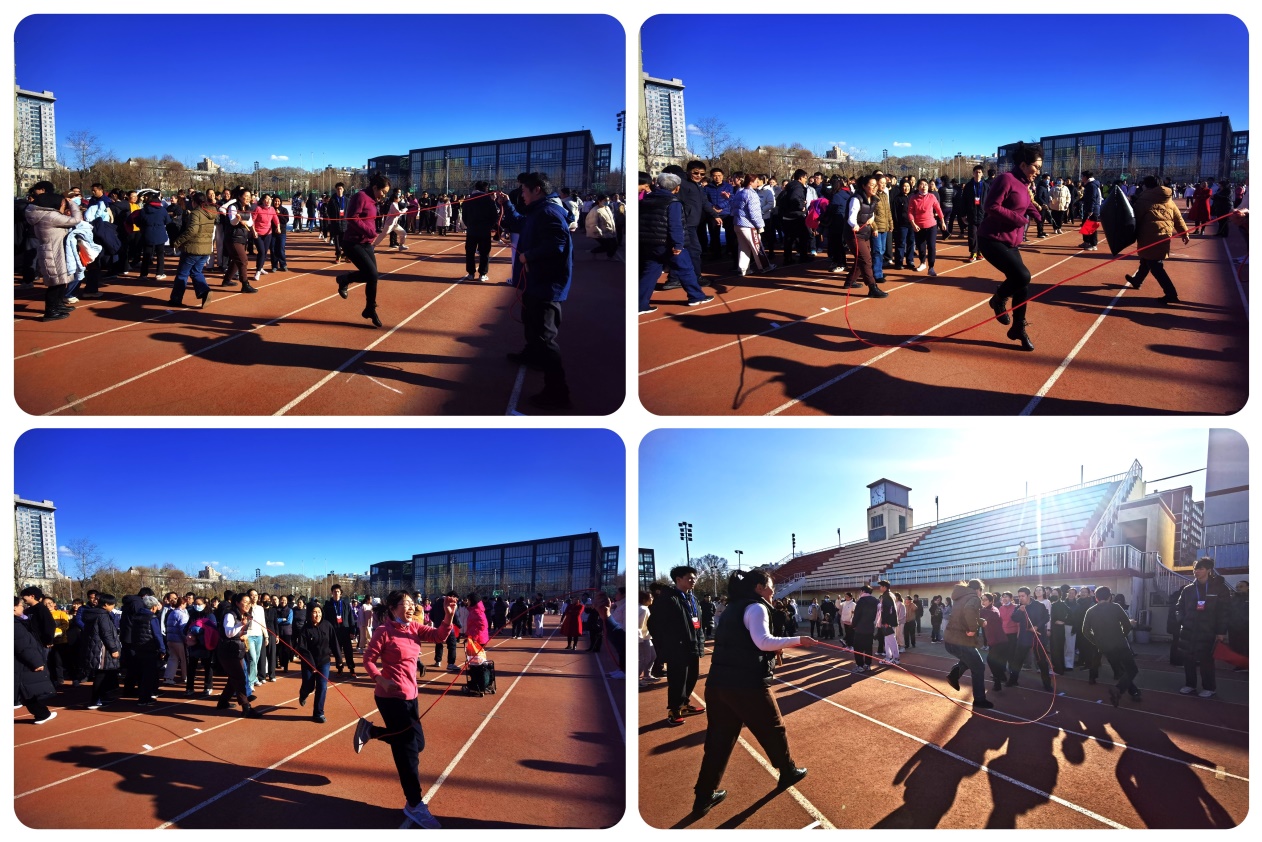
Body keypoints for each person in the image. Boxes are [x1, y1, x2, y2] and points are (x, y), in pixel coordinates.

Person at [691, 569, 814, 817]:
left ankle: (703, 795)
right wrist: (799, 640)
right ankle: (788, 771)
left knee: (719, 740)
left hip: (718, 683)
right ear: (759, 587)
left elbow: (748, 642)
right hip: (746, 684)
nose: (773, 590)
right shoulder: (756, 607)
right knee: (774, 728)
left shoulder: (732, 609)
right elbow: (762, 642)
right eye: (770, 585)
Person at [355, 590, 457, 829]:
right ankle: (414, 803)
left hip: (411, 697)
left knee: (417, 744)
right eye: (405, 604)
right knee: (408, 751)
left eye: (412, 603)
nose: (411, 607)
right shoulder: (383, 631)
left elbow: (440, 636)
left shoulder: (414, 628)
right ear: (392, 608)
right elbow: (368, 659)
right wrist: (380, 679)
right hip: (390, 698)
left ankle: (371, 731)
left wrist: (449, 616)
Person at [495, 172, 574, 410]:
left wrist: (527, 255)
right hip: (535, 282)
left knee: (545, 337)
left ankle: (557, 393)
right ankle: (531, 355)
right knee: (530, 320)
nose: (522, 195)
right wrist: (507, 204)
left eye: (524, 191)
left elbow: (557, 245)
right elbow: (520, 223)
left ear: (537, 189)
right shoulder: (538, 210)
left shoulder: (549, 212)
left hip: (547, 284)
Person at [978, 141, 1043, 351]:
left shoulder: (1024, 184)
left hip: (1011, 242)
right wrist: (1019, 220)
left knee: (1022, 285)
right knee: (1023, 276)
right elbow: (991, 206)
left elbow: (1025, 203)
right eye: (1036, 167)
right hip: (991, 239)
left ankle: (1017, 328)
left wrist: (1036, 214)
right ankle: (998, 300)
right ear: (1023, 164)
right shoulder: (1006, 179)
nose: (1038, 172)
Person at [639, 172, 710, 313]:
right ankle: (696, 296)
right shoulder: (673, 202)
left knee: (650, 273)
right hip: (668, 243)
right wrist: (678, 244)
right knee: (685, 269)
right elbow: (675, 225)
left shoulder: (646, 199)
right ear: (677, 188)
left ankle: (639, 304)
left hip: (649, 242)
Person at [647, 566, 707, 726]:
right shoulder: (668, 599)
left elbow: (697, 623)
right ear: (678, 579)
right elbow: (654, 624)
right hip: (677, 649)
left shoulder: (692, 598)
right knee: (677, 680)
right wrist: (668, 643)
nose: (693, 580)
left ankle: (684, 705)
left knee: (691, 677)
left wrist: (700, 640)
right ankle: (674, 710)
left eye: (694, 577)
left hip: (693, 645)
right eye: (689, 578)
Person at [335, 175, 392, 328]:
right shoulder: (360, 196)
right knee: (372, 274)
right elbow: (352, 218)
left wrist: (371, 233)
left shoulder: (373, 200)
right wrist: (370, 232)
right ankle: (344, 279)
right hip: (352, 243)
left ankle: (370, 309)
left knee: (373, 276)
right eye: (383, 192)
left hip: (366, 243)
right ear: (375, 187)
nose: (384, 195)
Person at [1124, 175, 1191, 306]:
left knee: (1155, 266)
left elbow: (1134, 218)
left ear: (1146, 185)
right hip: (1164, 235)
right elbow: (1178, 217)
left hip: (1149, 236)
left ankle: (1171, 294)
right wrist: (1184, 233)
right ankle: (1137, 280)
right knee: (1146, 260)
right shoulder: (1168, 198)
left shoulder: (1144, 199)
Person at [24, 182, 85, 321]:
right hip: (53, 252)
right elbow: (76, 219)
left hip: (53, 250)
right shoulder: (50, 216)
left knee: (61, 281)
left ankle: (58, 305)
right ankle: (51, 311)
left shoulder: (43, 214)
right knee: (55, 283)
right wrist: (72, 203)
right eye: (62, 203)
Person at [1175, 557, 1232, 697]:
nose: (1196, 572)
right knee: (1188, 659)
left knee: (1206, 660)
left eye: (1200, 569)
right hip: (1189, 630)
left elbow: (1224, 612)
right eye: (1195, 569)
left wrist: (1221, 632)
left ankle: (1209, 688)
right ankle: (1190, 685)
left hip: (1208, 630)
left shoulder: (1220, 589)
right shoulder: (1188, 589)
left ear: (1209, 570)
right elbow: (1179, 607)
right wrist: (1182, 620)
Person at [1081, 586, 1141, 706]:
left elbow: (1085, 631)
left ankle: (1134, 692)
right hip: (1120, 644)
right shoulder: (1116, 607)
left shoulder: (1090, 611)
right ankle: (1119, 689)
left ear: (1096, 598)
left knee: (1122, 670)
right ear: (1109, 597)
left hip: (1105, 647)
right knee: (1132, 669)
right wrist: (1122, 635)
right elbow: (1127, 625)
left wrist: (1097, 642)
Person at [943, 579, 995, 709]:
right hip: (961, 640)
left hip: (951, 639)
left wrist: (980, 621)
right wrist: (973, 629)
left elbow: (961, 615)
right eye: (981, 592)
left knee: (970, 661)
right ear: (978, 590)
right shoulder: (973, 597)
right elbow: (969, 610)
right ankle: (979, 699)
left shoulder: (960, 596)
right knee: (978, 667)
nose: (981, 595)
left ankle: (954, 675)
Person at [15, 597, 58, 724]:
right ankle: (42, 714)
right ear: (13, 607)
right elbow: (23, 646)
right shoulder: (15, 625)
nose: (23, 608)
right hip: (21, 663)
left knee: (25, 690)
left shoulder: (18, 622)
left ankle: (42, 714)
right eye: (21, 605)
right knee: (25, 688)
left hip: (19, 663)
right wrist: (36, 662)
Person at [844, 175, 887, 298]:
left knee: (861, 259)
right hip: (854, 235)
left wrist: (872, 224)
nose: (875, 187)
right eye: (871, 185)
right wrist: (854, 225)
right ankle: (872, 287)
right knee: (866, 260)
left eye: (875, 185)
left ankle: (850, 281)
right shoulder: (856, 199)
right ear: (863, 186)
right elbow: (851, 217)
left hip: (865, 233)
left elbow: (871, 214)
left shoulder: (873, 199)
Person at [294, 602, 335, 723]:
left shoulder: (327, 625)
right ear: (309, 614)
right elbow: (303, 649)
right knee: (309, 686)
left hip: (324, 662)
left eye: (319, 612)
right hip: (309, 663)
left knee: (322, 686)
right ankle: (303, 693)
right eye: (314, 612)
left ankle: (318, 713)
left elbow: (334, 642)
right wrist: (311, 664)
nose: (317, 615)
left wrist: (339, 659)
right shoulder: (305, 630)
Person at [1008, 587, 1053, 692]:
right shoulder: (1019, 607)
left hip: (1038, 637)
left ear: (1028, 595)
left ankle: (1047, 684)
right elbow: (1014, 618)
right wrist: (1020, 611)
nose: (1020, 598)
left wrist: (1037, 626)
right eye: (1019, 596)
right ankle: (1013, 680)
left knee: (1042, 661)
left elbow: (1046, 617)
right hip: (1024, 637)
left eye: (1022, 596)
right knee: (1017, 660)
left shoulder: (1039, 605)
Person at [460, 182, 498, 282]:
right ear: (485, 189)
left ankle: (471, 273)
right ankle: (482, 274)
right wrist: (489, 226)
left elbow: (464, 215)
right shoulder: (488, 200)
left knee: (470, 252)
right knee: (484, 252)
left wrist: (469, 225)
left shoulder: (468, 199)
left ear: (475, 188)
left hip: (472, 230)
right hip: (484, 231)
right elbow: (494, 215)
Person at [908, 178, 945, 276]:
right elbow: (910, 212)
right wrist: (913, 224)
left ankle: (931, 267)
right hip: (918, 226)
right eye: (921, 184)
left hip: (931, 225)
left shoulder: (932, 196)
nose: (924, 186)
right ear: (918, 187)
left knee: (931, 246)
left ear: (928, 186)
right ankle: (922, 262)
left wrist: (943, 222)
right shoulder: (913, 198)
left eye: (925, 184)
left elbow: (938, 209)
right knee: (921, 247)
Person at [978, 593, 1009, 694]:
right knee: (995, 662)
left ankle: (1001, 677)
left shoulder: (993, 611)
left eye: (985, 600)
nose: (983, 602)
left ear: (991, 601)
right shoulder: (985, 610)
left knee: (990, 660)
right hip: (992, 641)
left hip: (1000, 641)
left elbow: (989, 615)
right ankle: (998, 683)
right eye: (982, 599)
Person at [323, 585, 358, 676]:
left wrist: (352, 631)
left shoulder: (346, 604)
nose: (336, 593)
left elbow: (351, 618)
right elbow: (325, 619)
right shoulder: (328, 605)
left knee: (348, 651)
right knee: (337, 652)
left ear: (341, 593)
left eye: (338, 591)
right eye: (334, 591)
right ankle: (339, 668)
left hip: (345, 631)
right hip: (334, 632)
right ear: (332, 593)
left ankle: (351, 668)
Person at [958, 165, 989, 262]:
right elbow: (963, 201)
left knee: (981, 235)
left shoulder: (986, 186)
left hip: (983, 214)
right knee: (972, 235)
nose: (978, 174)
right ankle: (973, 252)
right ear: (973, 173)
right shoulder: (968, 186)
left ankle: (980, 252)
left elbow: (989, 201)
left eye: (979, 172)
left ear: (982, 174)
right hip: (971, 214)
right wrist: (963, 214)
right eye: (976, 172)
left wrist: (989, 214)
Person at [850, 585, 879, 672]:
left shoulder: (861, 600)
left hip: (860, 628)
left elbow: (857, 615)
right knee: (868, 647)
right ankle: (868, 664)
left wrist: (853, 625)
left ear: (863, 591)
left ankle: (860, 665)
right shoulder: (875, 600)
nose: (860, 593)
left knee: (858, 648)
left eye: (860, 591)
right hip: (870, 627)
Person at [585, 194, 620, 259]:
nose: (607, 202)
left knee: (614, 245)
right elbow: (592, 223)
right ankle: (594, 252)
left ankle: (609, 256)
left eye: (608, 200)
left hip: (610, 231)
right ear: (599, 201)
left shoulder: (607, 208)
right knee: (608, 246)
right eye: (605, 200)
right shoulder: (595, 210)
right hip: (602, 233)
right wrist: (599, 233)